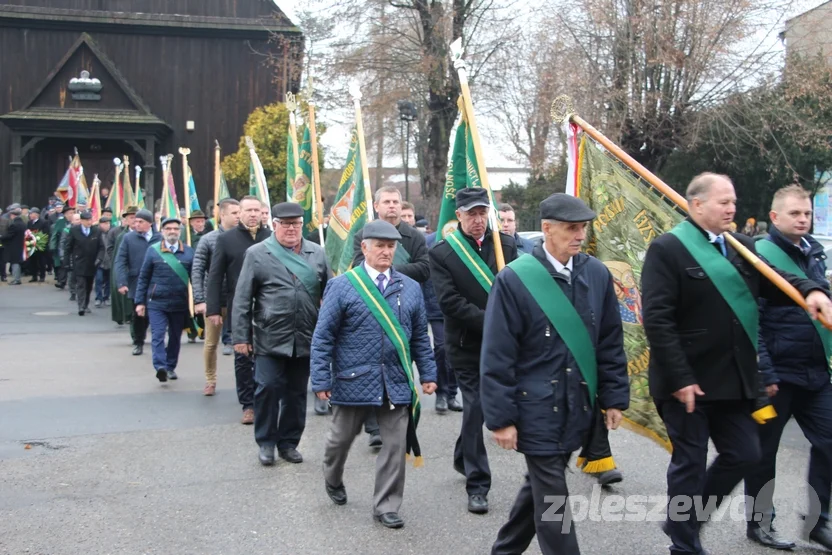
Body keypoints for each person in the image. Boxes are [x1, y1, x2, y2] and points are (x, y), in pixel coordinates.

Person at [641, 173, 832, 555]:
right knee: (690, 464)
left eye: (733, 201)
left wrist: (811, 290)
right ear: (696, 205)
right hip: (687, 382)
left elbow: (778, 280)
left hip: (732, 380)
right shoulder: (668, 249)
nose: (732, 208)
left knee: (746, 454)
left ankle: (687, 519)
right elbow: (658, 318)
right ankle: (684, 544)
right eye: (723, 202)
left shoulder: (740, 246)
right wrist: (680, 377)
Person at [483, 193, 630, 555]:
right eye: (570, 228)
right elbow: (498, 354)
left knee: (539, 489)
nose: (579, 235)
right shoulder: (515, 279)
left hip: (577, 404)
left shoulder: (595, 274)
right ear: (546, 229)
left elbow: (609, 342)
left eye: (582, 227)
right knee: (554, 504)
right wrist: (501, 418)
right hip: (535, 408)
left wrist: (613, 397)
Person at [311, 219, 437, 529]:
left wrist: (428, 372)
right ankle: (333, 477)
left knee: (394, 445)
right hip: (352, 378)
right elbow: (323, 336)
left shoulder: (410, 288)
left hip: (395, 380)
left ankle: (386, 506)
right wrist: (321, 379)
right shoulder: (342, 285)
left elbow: (420, 335)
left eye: (391, 246)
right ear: (364, 248)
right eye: (379, 245)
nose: (385, 251)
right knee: (339, 441)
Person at [744, 185, 832, 550]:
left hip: (815, 372)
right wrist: (765, 372)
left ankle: (817, 521)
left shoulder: (814, 253)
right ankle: (759, 522)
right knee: (764, 453)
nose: (803, 220)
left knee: (830, 443)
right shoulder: (759, 255)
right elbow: (754, 320)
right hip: (777, 374)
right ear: (775, 216)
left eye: (807, 214)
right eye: (795, 214)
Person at [429, 187, 518, 514]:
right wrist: (493, 322)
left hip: (504, 346)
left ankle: (460, 455)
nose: (479, 220)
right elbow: (449, 302)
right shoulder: (443, 253)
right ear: (460, 216)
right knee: (478, 407)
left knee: (479, 410)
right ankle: (478, 484)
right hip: (467, 346)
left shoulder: (505, 245)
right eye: (472, 214)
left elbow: (520, 288)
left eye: (483, 213)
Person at [233, 202, 331, 465]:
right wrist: (241, 337)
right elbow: (243, 298)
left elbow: (330, 297)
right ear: (274, 224)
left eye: (296, 224)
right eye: (286, 224)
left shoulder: (317, 253)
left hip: (305, 337)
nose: (291, 229)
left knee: (296, 394)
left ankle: (289, 443)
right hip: (269, 336)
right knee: (267, 387)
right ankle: (265, 442)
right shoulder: (257, 253)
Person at [351, 186, 431, 446]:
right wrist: (377, 270)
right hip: (370, 306)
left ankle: (396, 421)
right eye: (386, 201)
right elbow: (355, 266)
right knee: (372, 368)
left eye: (396, 201)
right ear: (376, 206)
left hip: (402, 305)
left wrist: (388, 268)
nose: (392, 206)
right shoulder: (362, 234)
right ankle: (374, 429)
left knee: (396, 367)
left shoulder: (414, 236)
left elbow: (424, 268)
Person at [206, 196, 271, 425]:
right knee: (243, 356)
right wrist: (213, 308)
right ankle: (248, 404)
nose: (253, 214)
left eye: (257, 210)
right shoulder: (226, 240)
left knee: (268, 354)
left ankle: (266, 399)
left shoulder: (272, 237)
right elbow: (215, 276)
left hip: (268, 307)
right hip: (239, 307)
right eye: (248, 210)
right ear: (239, 213)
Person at [134, 217, 195, 383]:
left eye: (175, 229)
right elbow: (143, 277)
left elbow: (196, 279)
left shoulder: (189, 252)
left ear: (180, 232)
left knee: (175, 337)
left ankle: (170, 367)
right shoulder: (153, 251)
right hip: (156, 302)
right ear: (162, 231)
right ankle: (160, 367)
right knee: (158, 334)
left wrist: (198, 301)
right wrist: (140, 302)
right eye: (168, 229)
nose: (172, 231)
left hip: (179, 303)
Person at [193, 198, 241, 396]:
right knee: (211, 343)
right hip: (214, 300)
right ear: (222, 215)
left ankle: (245, 382)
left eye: (240, 213)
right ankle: (210, 379)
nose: (239, 217)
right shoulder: (208, 239)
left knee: (242, 342)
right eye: (234, 213)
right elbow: (197, 270)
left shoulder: (243, 238)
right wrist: (200, 299)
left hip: (237, 300)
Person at [424, 230, 461, 413]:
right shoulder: (430, 241)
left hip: (460, 306)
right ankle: (441, 393)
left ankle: (452, 394)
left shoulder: (464, 241)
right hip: (436, 304)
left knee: (455, 349)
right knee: (441, 347)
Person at [115, 209, 161, 356]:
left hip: (156, 281)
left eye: (141, 222)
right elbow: (120, 261)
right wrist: (122, 282)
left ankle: (156, 342)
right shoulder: (129, 238)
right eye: (135, 222)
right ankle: (138, 342)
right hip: (137, 281)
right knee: (139, 313)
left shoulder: (159, 238)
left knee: (154, 312)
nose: (137, 224)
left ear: (150, 224)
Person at [63, 211, 105, 316]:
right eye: (86, 220)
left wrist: (99, 258)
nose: (89, 222)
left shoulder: (96, 231)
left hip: (92, 263)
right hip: (79, 262)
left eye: (90, 220)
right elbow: (68, 247)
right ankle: (81, 306)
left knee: (89, 285)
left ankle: (85, 304)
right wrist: (66, 262)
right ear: (81, 221)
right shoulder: (74, 231)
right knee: (81, 284)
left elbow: (101, 247)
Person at [109, 206, 138, 327]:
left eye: (136, 217)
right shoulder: (123, 236)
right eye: (131, 217)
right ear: (126, 220)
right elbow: (118, 256)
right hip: (127, 270)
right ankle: (128, 316)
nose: (134, 220)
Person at [1, 204, 26, 285]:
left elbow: (9, 235)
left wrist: (1, 237)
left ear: (12, 215)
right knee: (17, 262)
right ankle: (17, 278)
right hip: (20, 245)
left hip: (14, 246)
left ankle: (16, 279)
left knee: (15, 263)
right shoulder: (22, 224)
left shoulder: (14, 225)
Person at [26, 208, 49, 282]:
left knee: (41, 261)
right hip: (31, 244)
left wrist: (39, 240)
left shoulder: (43, 222)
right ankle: (34, 276)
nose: (30, 215)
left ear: (36, 214)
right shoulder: (29, 222)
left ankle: (42, 276)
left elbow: (46, 233)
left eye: (31, 213)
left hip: (40, 245)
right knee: (33, 261)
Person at [94, 216, 112, 308]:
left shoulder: (112, 233)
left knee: (109, 281)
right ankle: (98, 298)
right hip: (99, 261)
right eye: (105, 223)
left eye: (108, 223)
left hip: (109, 261)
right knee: (99, 280)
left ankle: (106, 297)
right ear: (100, 224)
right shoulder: (96, 233)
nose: (107, 225)